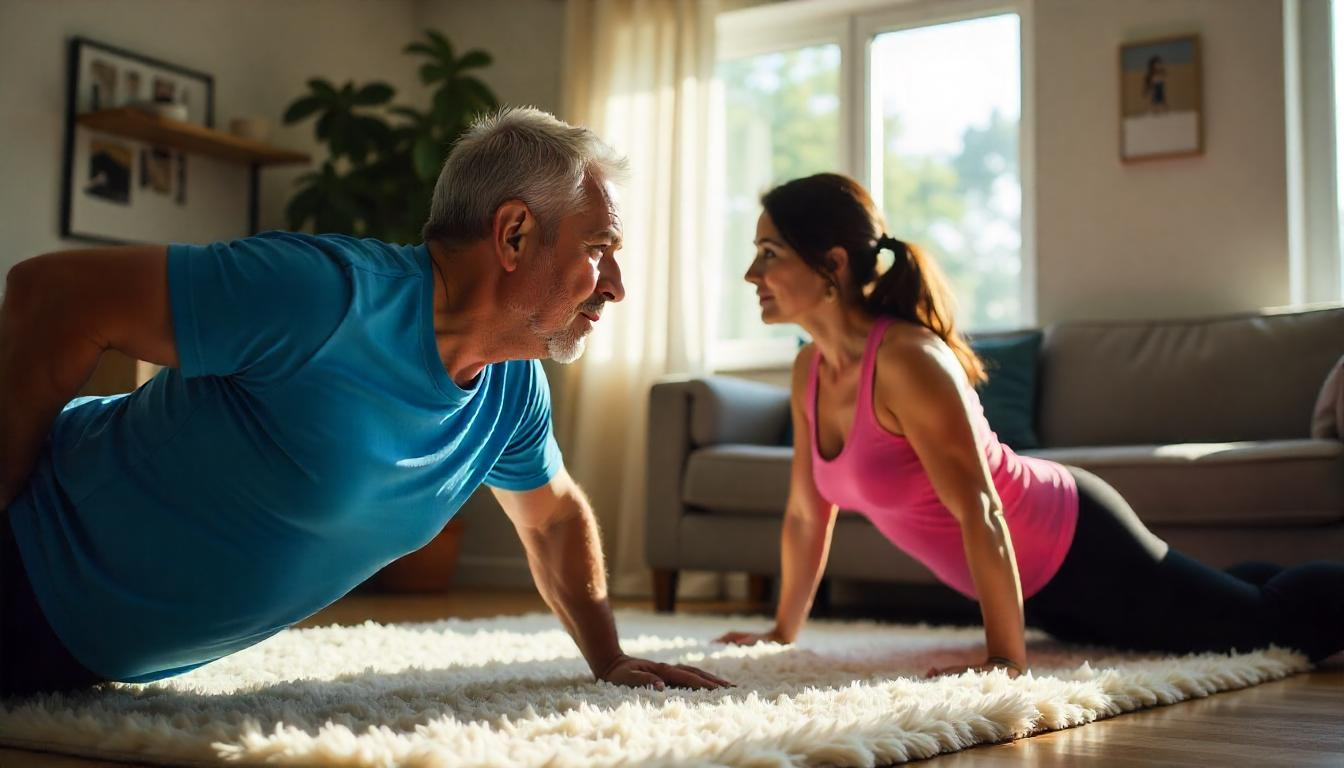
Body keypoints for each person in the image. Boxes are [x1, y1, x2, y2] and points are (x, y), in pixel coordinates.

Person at [0, 107, 731, 697]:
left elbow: (554, 520)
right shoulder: (324, 296)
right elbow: (52, 297)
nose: (616, 286)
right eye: (601, 247)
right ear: (513, 233)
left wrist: (609, 659)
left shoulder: (513, 386)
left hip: (85, 664)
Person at [716, 172, 1343, 675]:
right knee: (1194, 614)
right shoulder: (810, 370)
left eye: (769, 254)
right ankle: (1228, 586)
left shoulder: (907, 361)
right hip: (1037, 587)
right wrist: (780, 633)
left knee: (1262, 628)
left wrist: (1003, 660)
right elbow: (806, 513)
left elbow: (981, 510)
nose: (752, 275)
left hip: (1072, 541)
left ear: (832, 264)